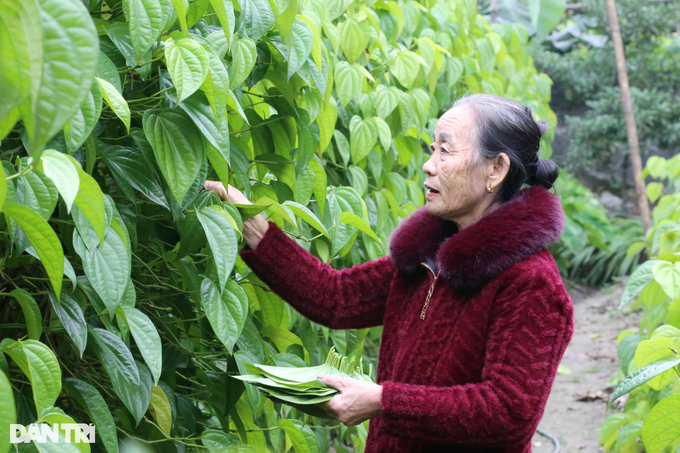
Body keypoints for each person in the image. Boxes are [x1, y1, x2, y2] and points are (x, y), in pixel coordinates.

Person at [204, 94, 574, 453]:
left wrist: (384, 400)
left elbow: (508, 414)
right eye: (432, 149)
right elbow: (336, 297)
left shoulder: (531, 283)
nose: (429, 164)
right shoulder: (429, 257)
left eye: (445, 151)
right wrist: (258, 232)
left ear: (496, 169)